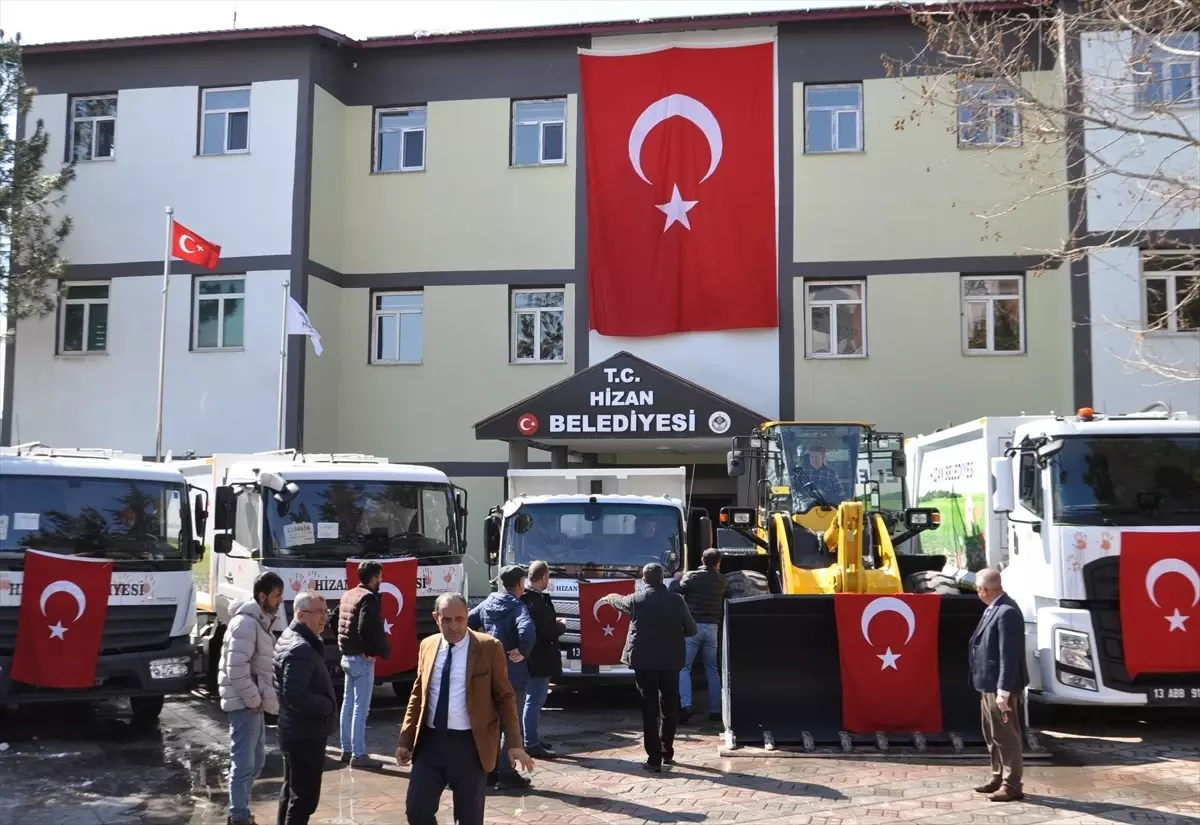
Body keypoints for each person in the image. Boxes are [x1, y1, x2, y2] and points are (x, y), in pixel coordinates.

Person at [396, 593, 534, 825]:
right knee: (416, 810)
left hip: (471, 747)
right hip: (430, 744)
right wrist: (405, 739)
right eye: (446, 620)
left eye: (459, 618)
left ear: (467, 616)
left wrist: (514, 744)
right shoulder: (428, 646)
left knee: (468, 819)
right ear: (436, 618)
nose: (454, 626)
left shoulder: (488, 647)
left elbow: (505, 697)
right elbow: (418, 694)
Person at [598, 563, 697, 773]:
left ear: (644, 580)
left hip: (644, 661)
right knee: (670, 706)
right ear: (662, 579)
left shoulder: (637, 599)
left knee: (649, 708)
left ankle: (654, 759)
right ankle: (667, 751)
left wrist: (609, 596)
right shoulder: (677, 600)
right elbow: (691, 629)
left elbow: (619, 601)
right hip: (671, 661)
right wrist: (673, 634)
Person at [218, 571, 284, 825]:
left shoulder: (258, 621)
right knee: (244, 762)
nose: (280, 601)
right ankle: (238, 815)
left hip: (252, 704)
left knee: (255, 762)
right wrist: (254, 699)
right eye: (277, 595)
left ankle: (240, 809)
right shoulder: (246, 624)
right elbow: (236, 669)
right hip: (245, 704)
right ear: (262, 596)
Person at [468, 565, 535, 790]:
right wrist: (522, 651)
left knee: (492, 723)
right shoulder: (518, 607)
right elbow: (527, 630)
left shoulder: (487, 603)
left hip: (488, 674)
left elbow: (467, 622)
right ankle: (507, 772)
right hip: (512, 675)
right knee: (511, 723)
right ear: (520, 584)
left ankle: (490, 769)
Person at [274, 591, 337, 825]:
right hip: (304, 733)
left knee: (292, 792)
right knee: (304, 799)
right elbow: (295, 694)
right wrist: (327, 705)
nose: (324, 617)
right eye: (318, 612)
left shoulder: (297, 638)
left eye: (325, 611)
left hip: (296, 730)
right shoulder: (299, 648)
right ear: (301, 615)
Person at [969, 568, 1029, 803]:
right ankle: (998, 776)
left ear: (983, 590)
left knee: (1006, 736)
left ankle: (1012, 784)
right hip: (988, 685)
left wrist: (1003, 691)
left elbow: (1009, 655)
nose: (977, 592)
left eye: (977, 588)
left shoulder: (1006, 612)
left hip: (1001, 687)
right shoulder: (994, 608)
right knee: (992, 734)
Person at [337, 560, 391, 768]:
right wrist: (369, 651)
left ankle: (346, 749)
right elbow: (365, 627)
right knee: (361, 709)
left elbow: (335, 619)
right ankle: (358, 755)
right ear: (374, 578)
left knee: (348, 705)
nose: (382, 580)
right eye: (380, 576)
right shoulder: (368, 598)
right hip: (360, 659)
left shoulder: (348, 594)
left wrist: (345, 644)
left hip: (347, 657)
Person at [670, 548, 726, 724]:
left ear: (702, 560)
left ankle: (686, 705)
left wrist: (677, 578)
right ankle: (716, 710)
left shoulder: (692, 577)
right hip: (712, 628)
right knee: (712, 669)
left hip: (692, 628)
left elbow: (675, 589)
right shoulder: (722, 580)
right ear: (718, 563)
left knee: (684, 667)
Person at [519, 560, 567, 759]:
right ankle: (531, 743)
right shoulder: (537, 601)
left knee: (528, 700)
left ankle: (529, 738)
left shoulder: (525, 598)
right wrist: (560, 626)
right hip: (540, 658)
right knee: (534, 701)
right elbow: (545, 631)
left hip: (530, 657)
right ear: (544, 576)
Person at [795, 438, 846, 506]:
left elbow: (840, 493)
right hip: (806, 508)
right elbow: (795, 490)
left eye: (816, 457)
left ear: (823, 457)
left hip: (826, 507)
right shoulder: (802, 472)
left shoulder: (831, 473)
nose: (813, 459)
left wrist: (825, 495)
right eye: (811, 457)